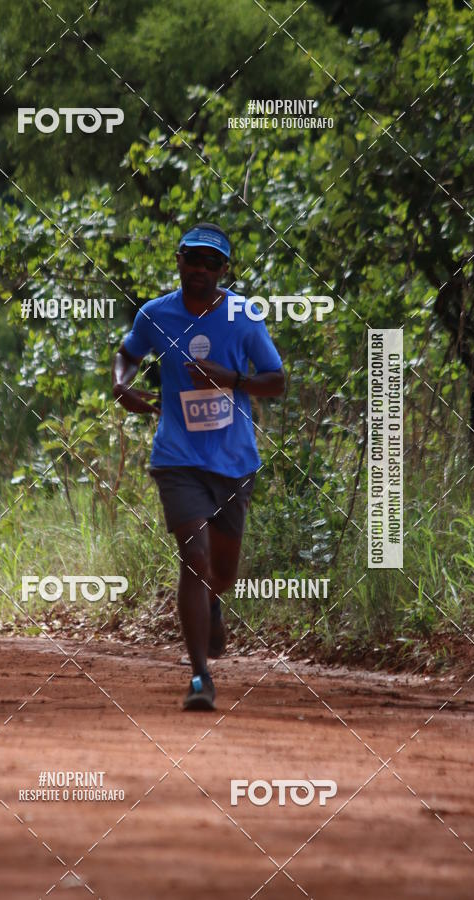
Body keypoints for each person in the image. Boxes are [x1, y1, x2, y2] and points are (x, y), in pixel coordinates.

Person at [112, 223, 285, 710]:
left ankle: (213, 602)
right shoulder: (156, 314)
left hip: (233, 462)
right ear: (179, 261)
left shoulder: (244, 317)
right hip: (177, 459)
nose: (201, 271)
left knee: (222, 570)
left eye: (213, 263)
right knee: (195, 558)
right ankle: (199, 677)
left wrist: (233, 380)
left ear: (224, 270)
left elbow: (277, 381)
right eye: (194, 260)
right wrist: (121, 386)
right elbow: (126, 355)